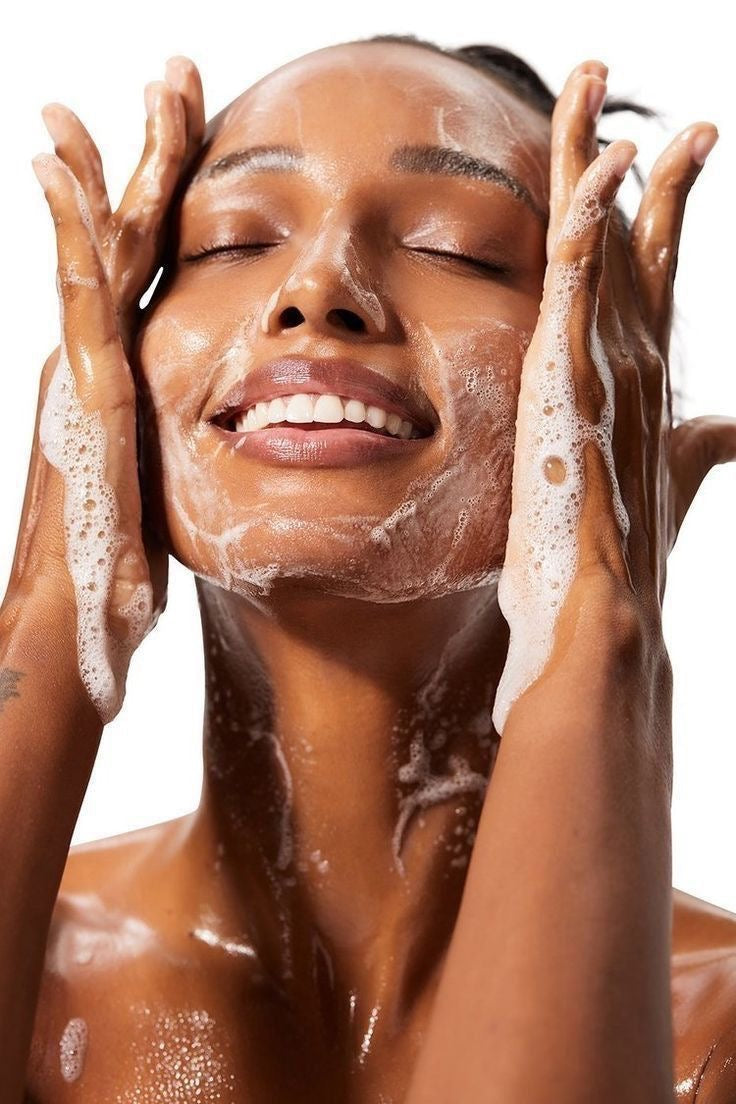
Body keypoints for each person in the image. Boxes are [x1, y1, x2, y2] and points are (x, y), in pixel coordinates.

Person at [2, 32, 735, 1102]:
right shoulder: (38, 986)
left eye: (460, 248)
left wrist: (596, 650)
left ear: (610, 402)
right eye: (226, 242)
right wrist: (45, 621)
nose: (316, 288)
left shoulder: (710, 1033)